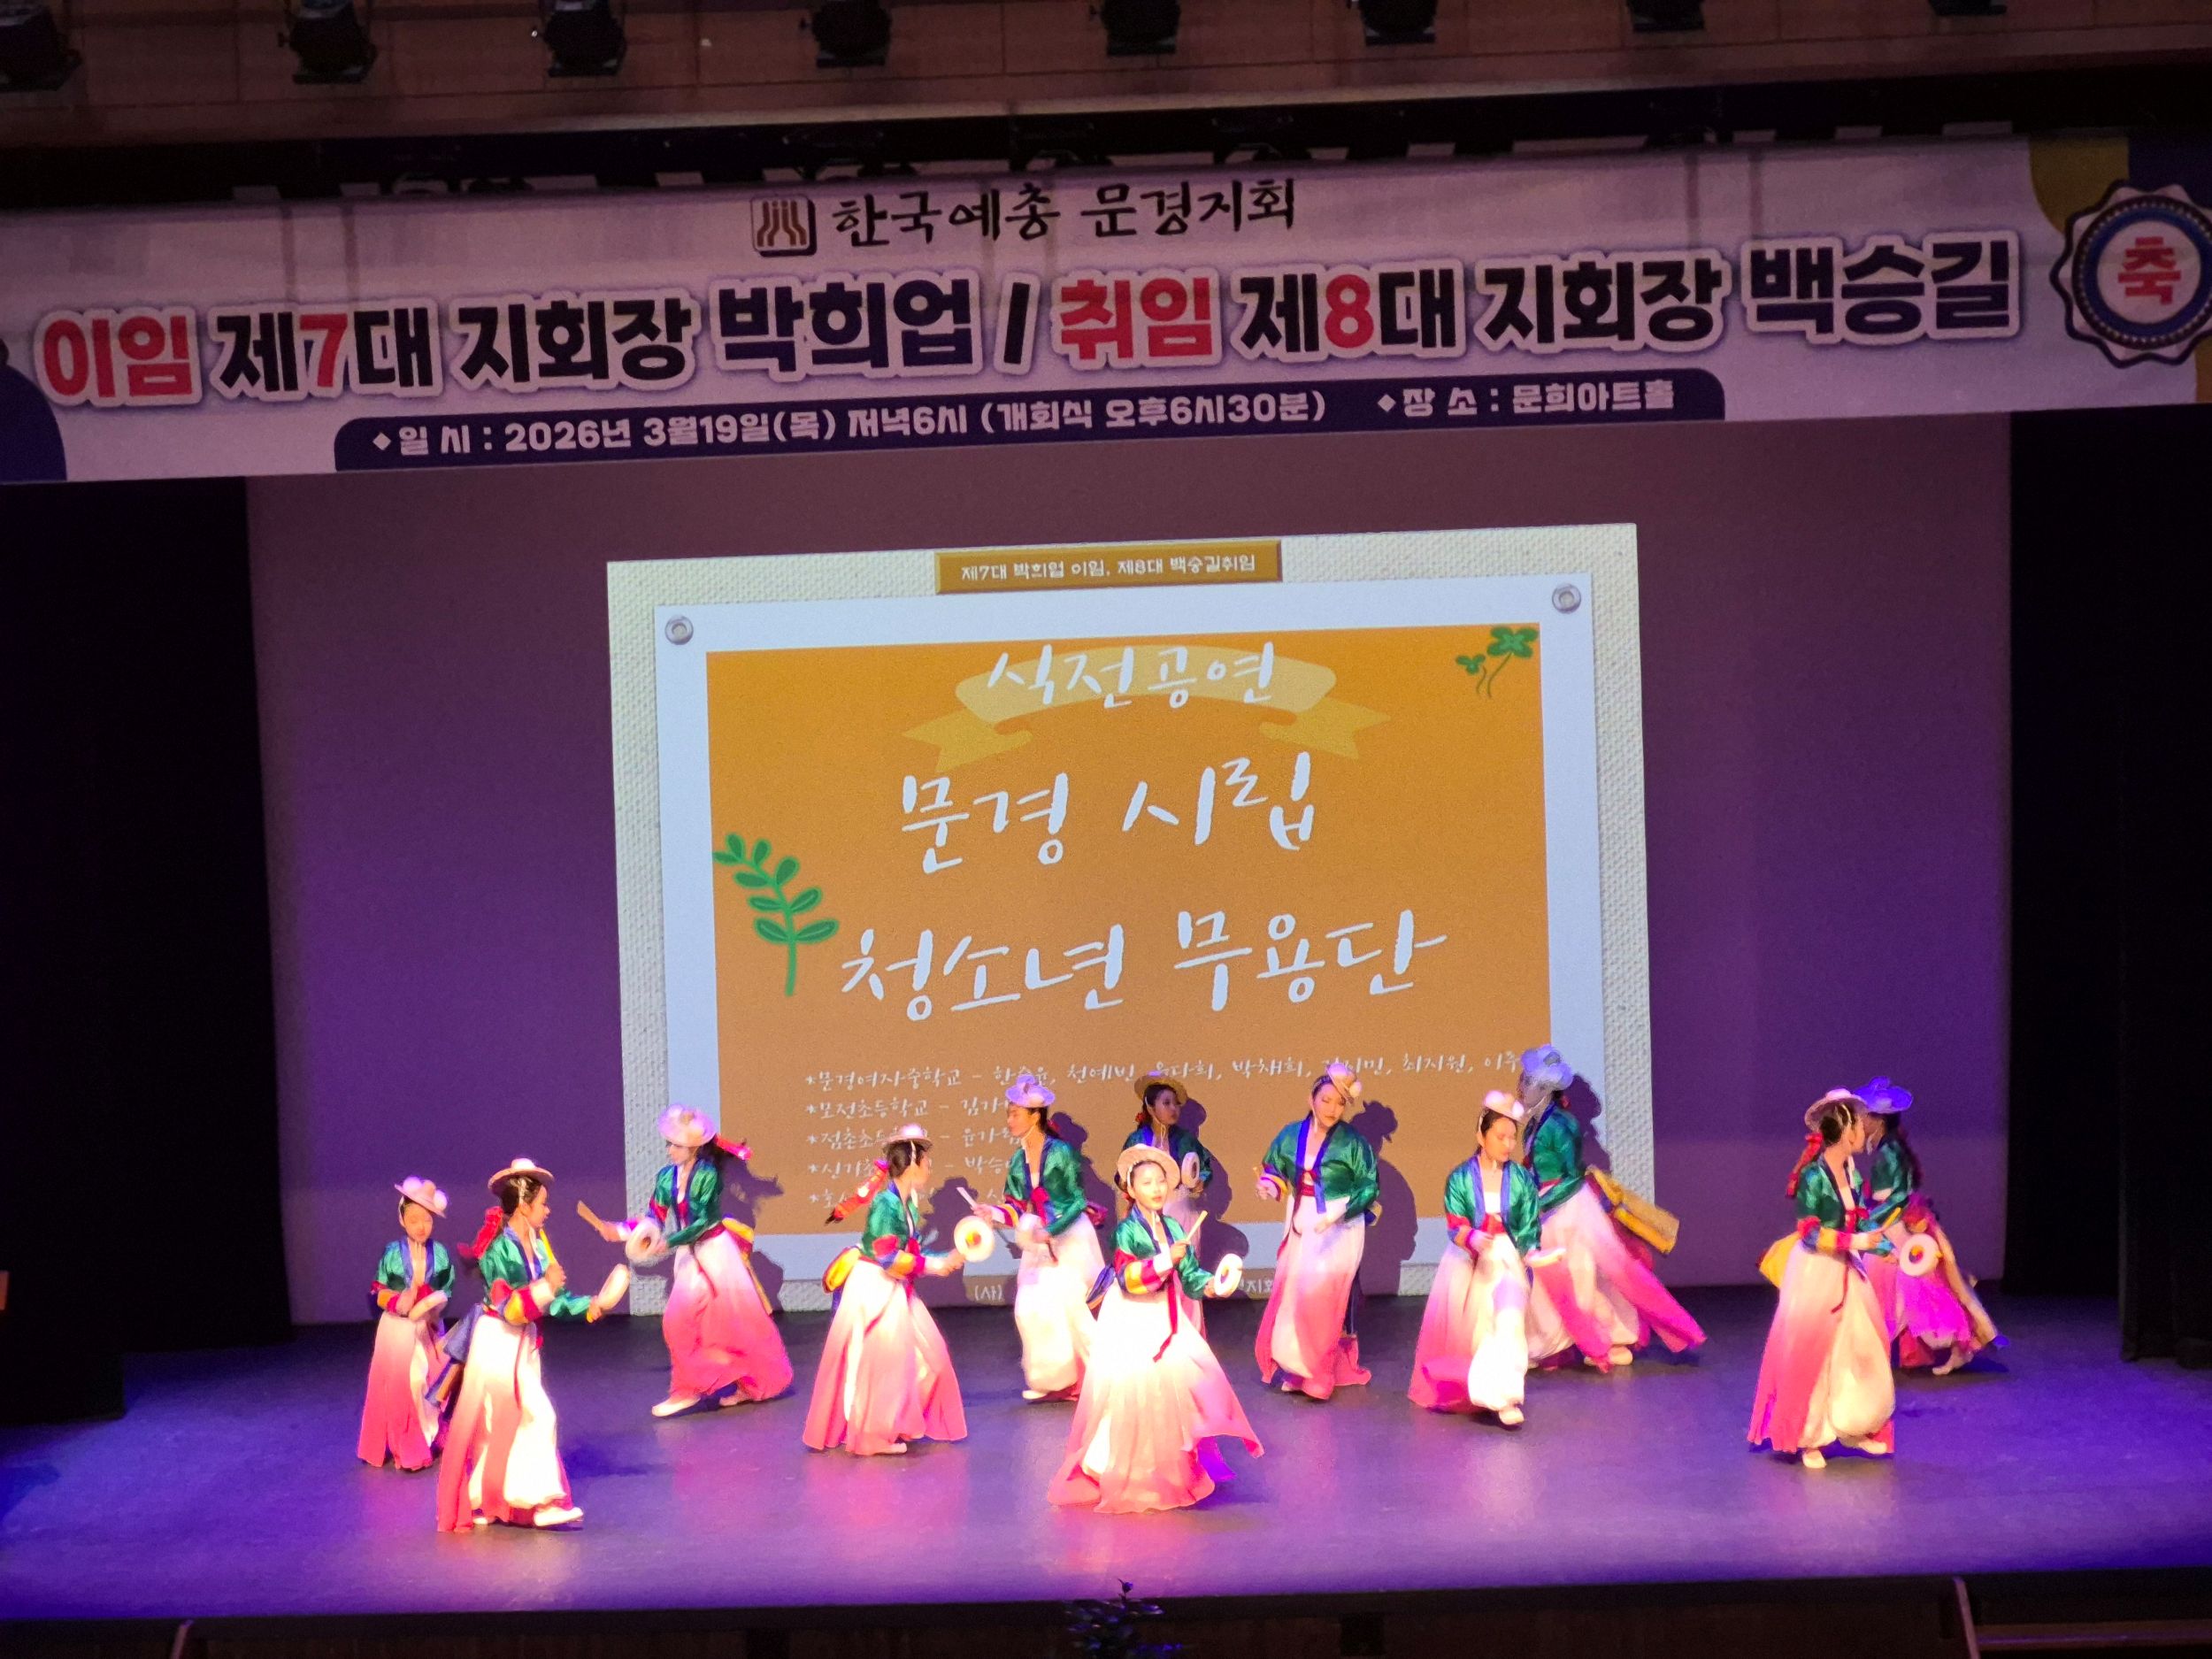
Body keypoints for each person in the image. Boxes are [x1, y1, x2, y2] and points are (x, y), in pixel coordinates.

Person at [1048, 1143, 1259, 1513]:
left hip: (1166, 1314)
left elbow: (1189, 1275)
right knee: (1135, 1392)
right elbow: (1129, 1279)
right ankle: (1118, 1468)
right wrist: (1164, 1261)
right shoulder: (1128, 1231)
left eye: (1161, 1181)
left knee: (1192, 1379)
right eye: (1147, 1182)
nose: (1157, 1189)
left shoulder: (1174, 1226)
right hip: (1132, 1318)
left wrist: (1213, 1285)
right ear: (1131, 1189)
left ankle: (1167, 1467)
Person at [436, 1158, 627, 1530]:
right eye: (542, 1203)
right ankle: (540, 1503)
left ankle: (487, 1501)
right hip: (497, 1343)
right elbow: (509, 1309)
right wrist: (545, 1287)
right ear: (524, 1206)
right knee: (534, 1416)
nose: (547, 1210)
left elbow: (553, 1302)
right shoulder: (498, 1251)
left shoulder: (538, 1248)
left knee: (507, 1425)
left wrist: (589, 1306)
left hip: (522, 1344)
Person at [593, 1105, 792, 1417]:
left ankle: (748, 1384)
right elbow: (654, 1217)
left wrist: (668, 1243)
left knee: (735, 1323)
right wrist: (619, 1230)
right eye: (669, 1144)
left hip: (716, 1254)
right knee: (678, 1321)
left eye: (676, 1145)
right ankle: (688, 1388)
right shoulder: (665, 1178)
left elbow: (703, 1222)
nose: (670, 1150)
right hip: (690, 1256)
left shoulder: (708, 1176)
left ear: (693, 1147)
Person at [1517, 1044, 1705, 1370]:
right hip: (1549, 1211)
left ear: (1545, 1088)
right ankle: (1551, 1344)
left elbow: (1571, 1177)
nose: (1521, 1087)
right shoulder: (1533, 1126)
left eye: (1527, 1081)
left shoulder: (1562, 1125)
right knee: (1550, 1281)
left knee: (1583, 1277)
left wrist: (1539, 1204)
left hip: (1570, 1210)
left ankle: (1608, 1339)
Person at [1748, 1092, 1897, 1470]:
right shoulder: (1814, 1177)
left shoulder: (1852, 1173)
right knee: (1815, 1354)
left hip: (1847, 1268)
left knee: (1861, 1346)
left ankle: (1853, 1424)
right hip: (1817, 1272)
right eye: (1858, 1124)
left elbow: (1859, 1218)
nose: (1863, 1130)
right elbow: (1810, 1233)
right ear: (1845, 1130)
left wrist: (1882, 1245)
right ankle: (1810, 1436)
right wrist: (1858, 1243)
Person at [803, 1125, 967, 1456]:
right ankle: (874, 1435)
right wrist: (936, 1265)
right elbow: (888, 1258)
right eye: (926, 1161)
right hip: (875, 1286)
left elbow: (909, 1254)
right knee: (885, 1362)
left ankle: (897, 1420)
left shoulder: (907, 1205)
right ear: (912, 1163)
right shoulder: (885, 1205)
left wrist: (946, 1258)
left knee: (933, 1356)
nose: (929, 1167)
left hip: (894, 1284)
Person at [1408, 1094, 1540, 1426]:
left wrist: (1533, 1251)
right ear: (1481, 1136)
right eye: (1500, 1137)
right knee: (1478, 1329)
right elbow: (1455, 1224)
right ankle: (1485, 1392)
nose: (1508, 1145)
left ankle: (1506, 1397)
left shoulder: (1521, 1178)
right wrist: (1471, 1237)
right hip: (1470, 1260)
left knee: (1508, 1323)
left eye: (1512, 1138)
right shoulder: (1461, 1178)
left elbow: (1528, 1225)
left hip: (1506, 1258)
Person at [968, 1073, 1102, 1402]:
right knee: (1030, 1308)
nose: (1009, 1120)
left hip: (1069, 1237)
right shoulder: (1018, 1160)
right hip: (1039, 1239)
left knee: (1073, 1310)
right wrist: (993, 1213)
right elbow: (1015, 1206)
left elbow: (1077, 1202)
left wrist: (1050, 1231)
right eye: (1009, 1113)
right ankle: (1055, 1380)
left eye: (1015, 1114)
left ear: (1035, 1116)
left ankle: (1099, 1379)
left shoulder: (1061, 1153)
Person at [1856, 1077, 2001, 1375]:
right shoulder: (1890, 1148)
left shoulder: (1890, 1151)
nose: (1862, 1122)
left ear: (1878, 1120)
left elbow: (1898, 1197)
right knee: (1900, 1289)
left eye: (1866, 1116)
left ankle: (1958, 1345)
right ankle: (1878, 1349)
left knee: (1915, 1289)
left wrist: (1871, 1220)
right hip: (1891, 1221)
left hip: (1893, 1225)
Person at [1253, 1061, 1378, 1401]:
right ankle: (1296, 1368)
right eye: (1326, 1100)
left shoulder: (1353, 1143)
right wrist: (1269, 1186)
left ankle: (1320, 1372)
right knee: (1295, 1294)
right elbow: (1275, 1169)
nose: (1332, 1109)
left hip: (1339, 1225)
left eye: (1339, 1103)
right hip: (1301, 1217)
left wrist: (1340, 1211)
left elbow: (1369, 1186)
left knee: (1322, 1298)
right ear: (1311, 1099)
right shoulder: (1291, 1134)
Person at [357, 1177, 456, 1470]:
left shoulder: (440, 1253)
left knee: (432, 1382)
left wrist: (435, 1306)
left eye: (427, 1220)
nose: (421, 1226)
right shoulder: (392, 1253)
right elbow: (377, 1290)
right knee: (406, 1385)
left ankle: (431, 1435)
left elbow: (446, 1288)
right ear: (402, 1220)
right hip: (398, 1329)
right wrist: (401, 1300)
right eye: (414, 1220)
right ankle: (408, 1445)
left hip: (428, 1326)